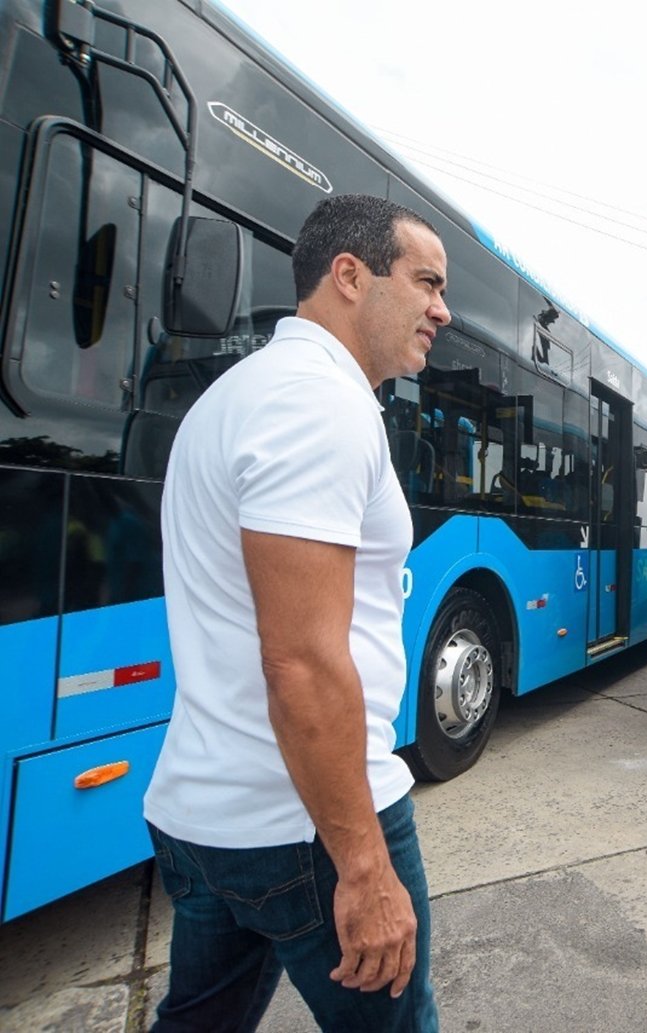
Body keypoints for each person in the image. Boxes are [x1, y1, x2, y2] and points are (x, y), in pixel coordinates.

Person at [143, 194, 450, 1032]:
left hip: (206, 814)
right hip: (305, 828)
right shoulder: (318, 405)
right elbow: (304, 660)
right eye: (425, 281)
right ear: (350, 276)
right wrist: (363, 865)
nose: (442, 309)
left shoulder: (238, 394)